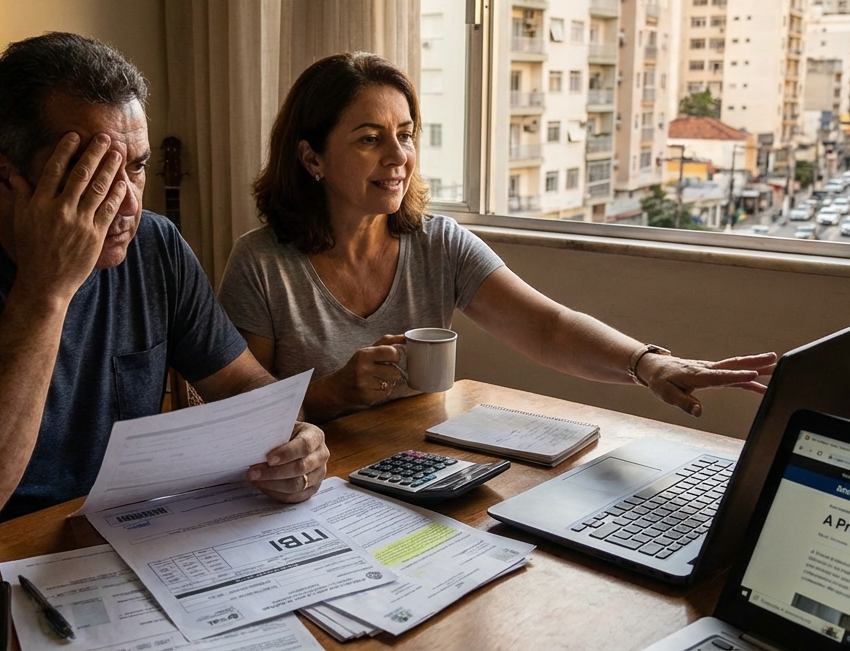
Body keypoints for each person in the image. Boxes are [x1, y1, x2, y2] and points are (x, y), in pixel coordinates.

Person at [0, 32, 329, 561]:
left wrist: (292, 437)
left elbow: (243, 383)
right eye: (94, 173)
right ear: (4, 176)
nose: (127, 203)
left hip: (107, 542)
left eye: (136, 167)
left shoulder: (155, 246)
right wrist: (46, 288)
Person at [219, 52, 777, 423]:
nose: (398, 157)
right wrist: (332, 393)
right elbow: (236, 409)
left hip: (418, 466)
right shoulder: (261, 264)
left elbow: (548, 327)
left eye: (406, 135)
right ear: (312, 158)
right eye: (370, 138)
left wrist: (648, 364)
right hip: (310, 484)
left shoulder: (438, 244)